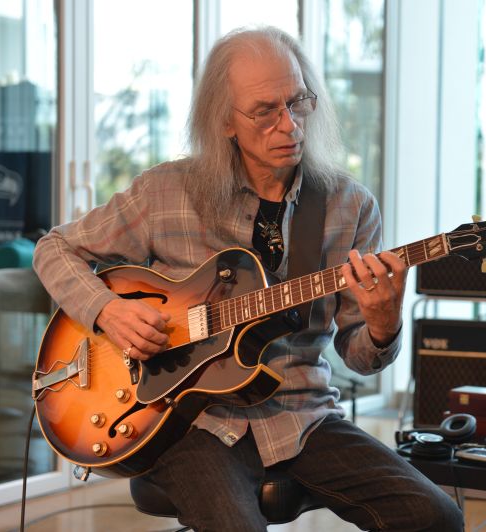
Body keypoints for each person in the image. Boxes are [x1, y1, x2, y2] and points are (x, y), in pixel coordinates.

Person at [33, 26, 464, 532]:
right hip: (187, 421)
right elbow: (54, 248)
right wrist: (107, 310)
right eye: (265, 111)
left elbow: (359, 356)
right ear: (224, 121)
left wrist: (384, 325)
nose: (290, 125)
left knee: (435, 517)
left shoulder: (349, 206)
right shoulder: (165, 192)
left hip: (302, 414)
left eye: (298, 102)